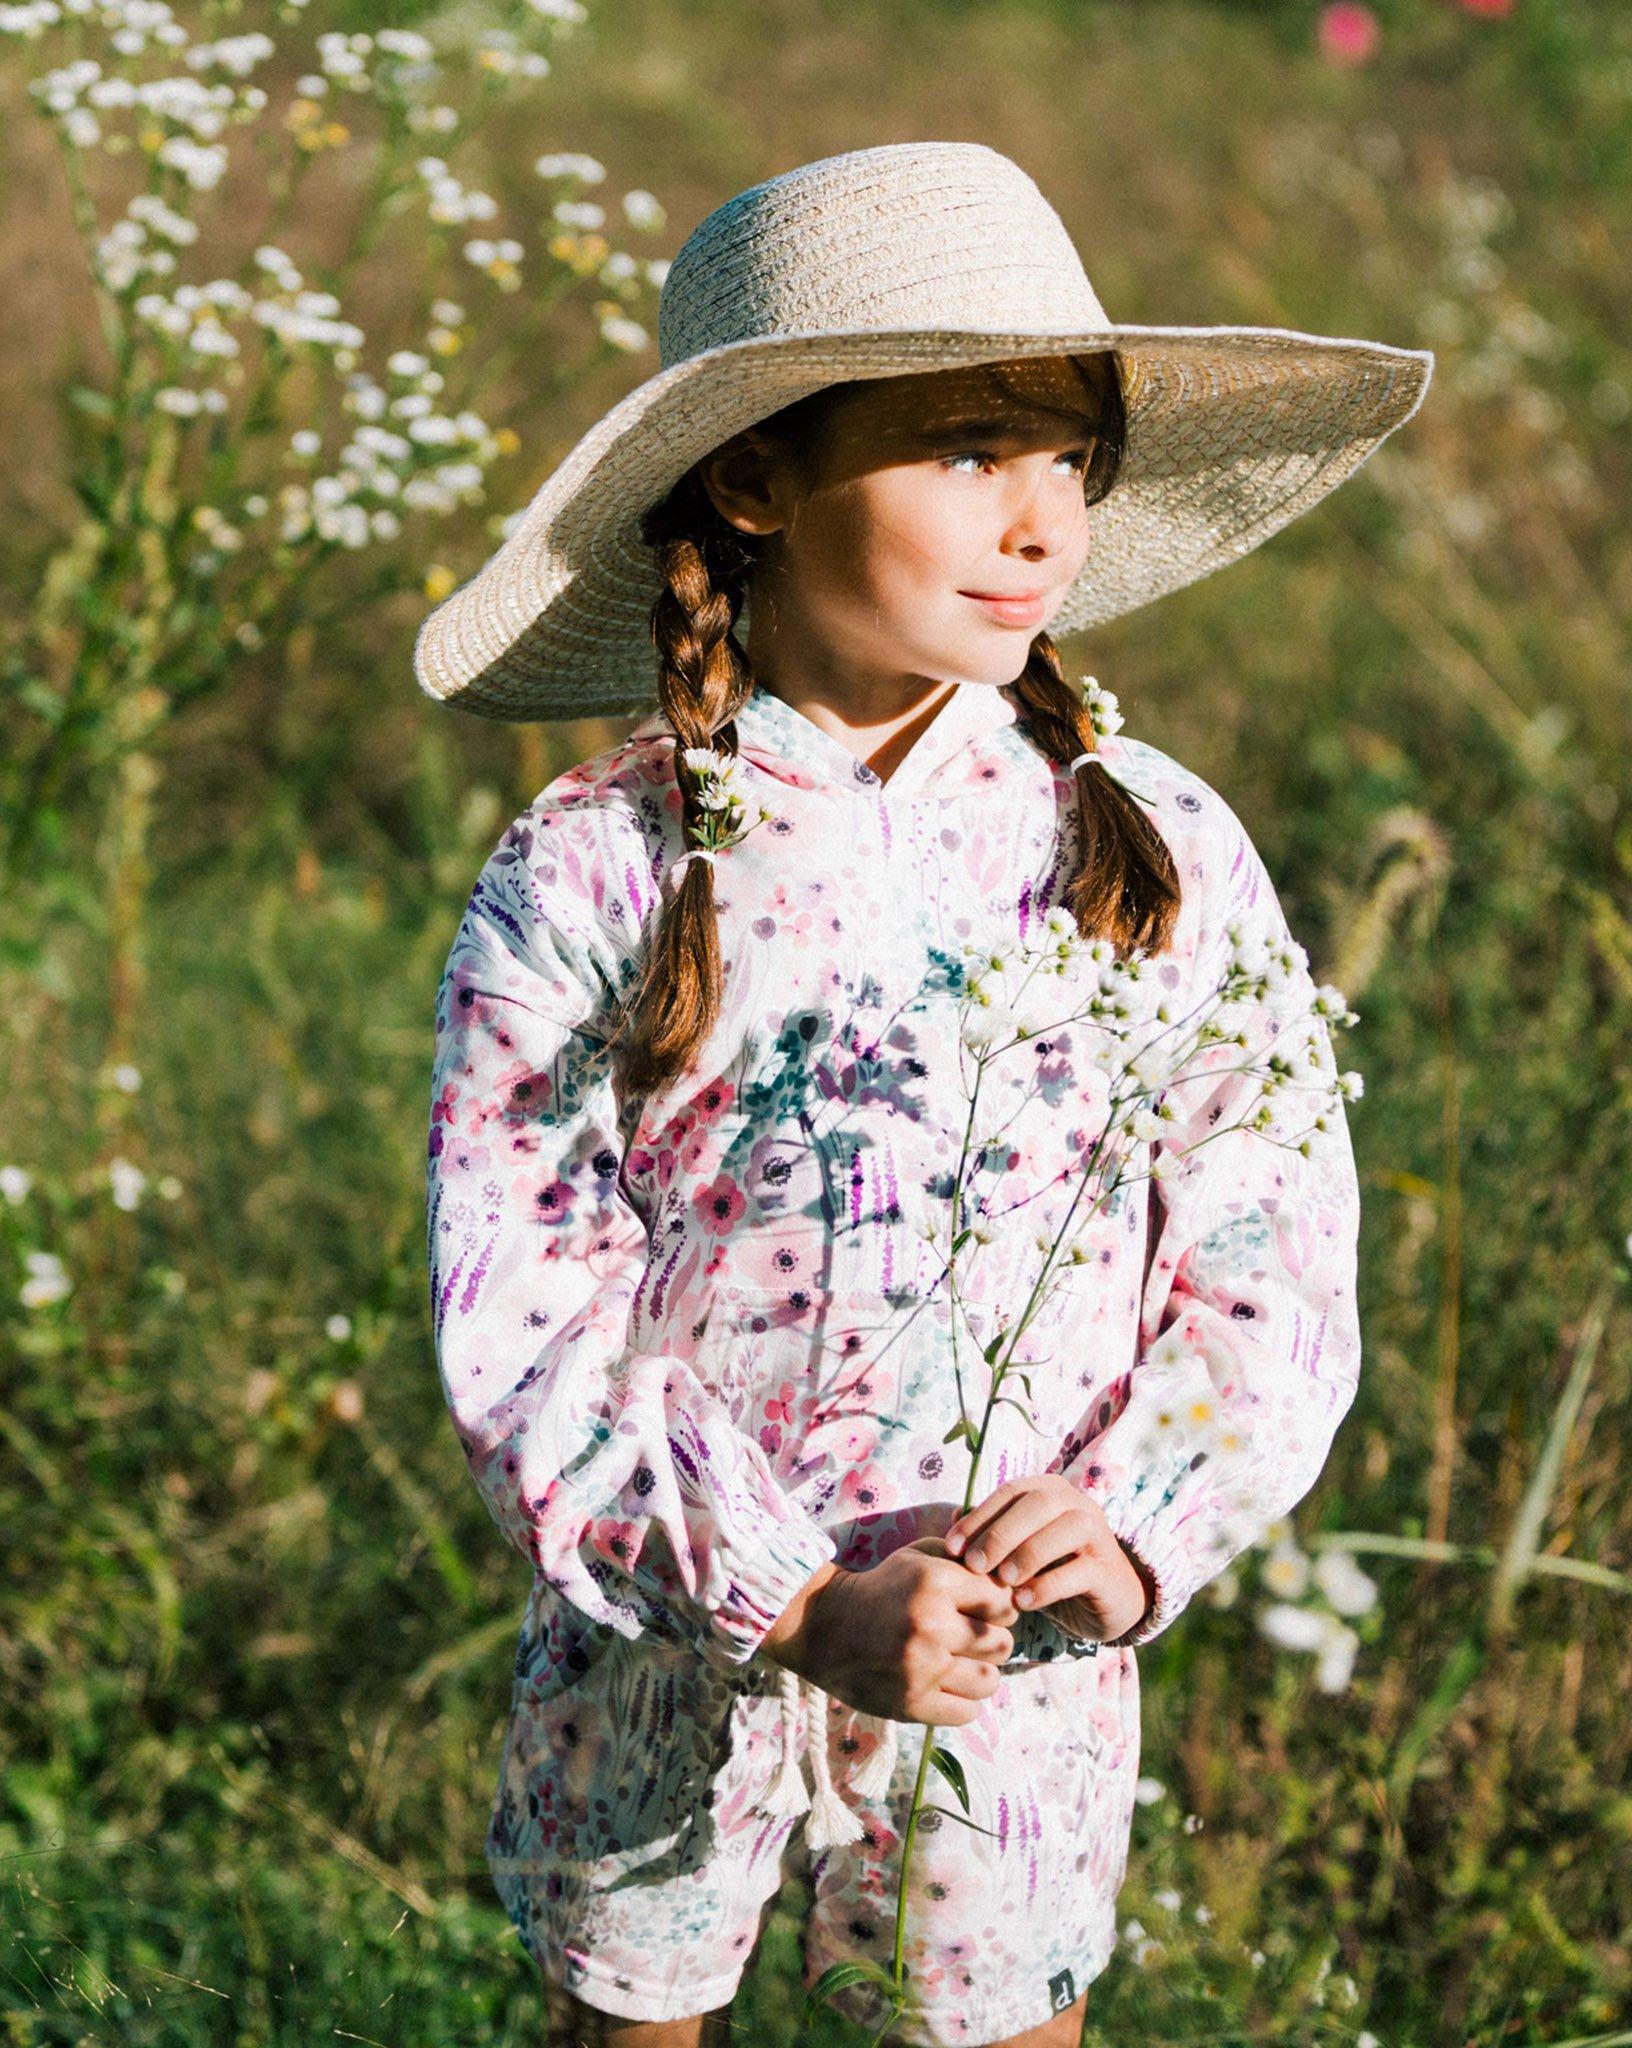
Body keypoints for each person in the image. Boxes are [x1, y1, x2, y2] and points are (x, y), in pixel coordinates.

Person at [418, 142, 1430, 2048]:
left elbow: (1265, 1227)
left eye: (1070, 460)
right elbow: (527, 1303)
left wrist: (1131, 1518)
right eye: (972, 453)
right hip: (676, 1646)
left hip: (1015, 1651)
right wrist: (783, 1597)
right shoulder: (597, 866)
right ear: (755, 474)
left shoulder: (1155, 847)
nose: (1043, 522)